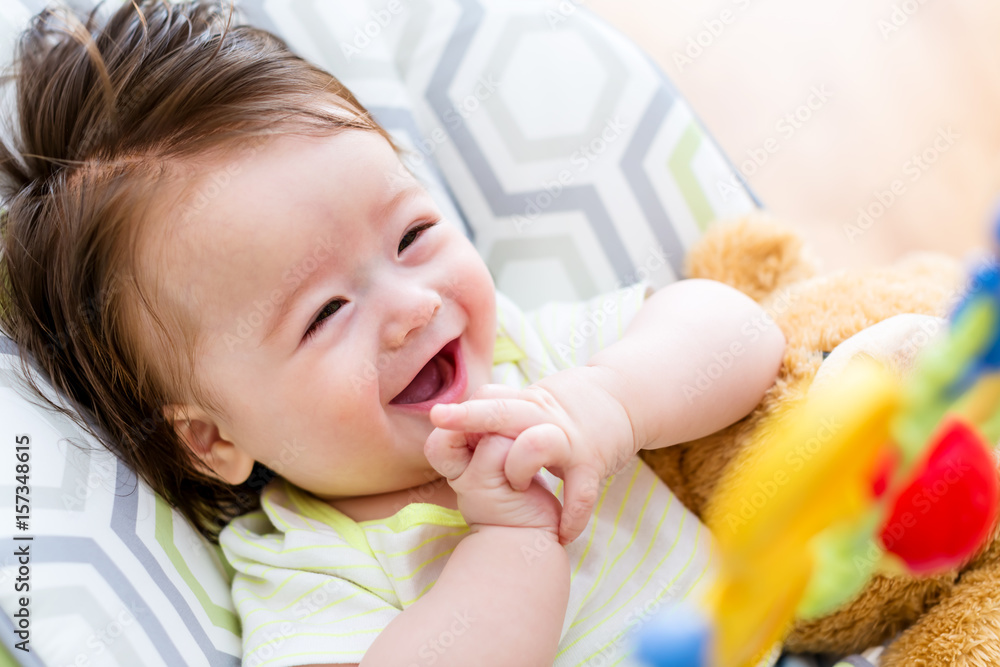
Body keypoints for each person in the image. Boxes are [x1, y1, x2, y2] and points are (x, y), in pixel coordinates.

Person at [0, 1, 785, 665]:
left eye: (412, 235)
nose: (412, 304)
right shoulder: (309, 566)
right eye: (326, 313)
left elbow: (740, 331)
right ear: (209, 438)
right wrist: (512, 541)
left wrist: (610, 403)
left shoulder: (530, 366)